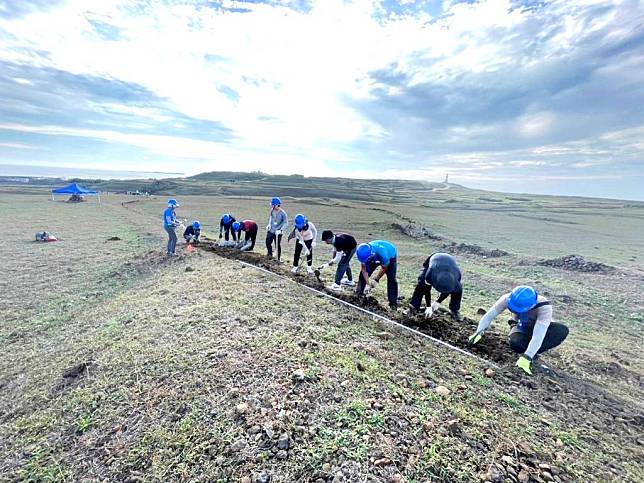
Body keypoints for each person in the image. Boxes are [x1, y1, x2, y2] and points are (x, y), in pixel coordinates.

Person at [468, 286, 569, 375]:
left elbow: (538, 335)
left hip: (539, 326)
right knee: (517, 344)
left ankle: (534, 352)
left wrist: (527, 357)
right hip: (520, 325)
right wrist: (478, 332)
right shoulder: (506, 299)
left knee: (561, 330)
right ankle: (526, 346)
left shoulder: (544, 307)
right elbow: (489, 316)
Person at [408, 253, 463, 321]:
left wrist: (438, 302)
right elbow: (427, 289)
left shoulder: (456, 277)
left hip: (450, 263)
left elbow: (447, 289)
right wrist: (428, 306)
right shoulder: (430, 273)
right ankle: (414, 306)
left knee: (458, 291)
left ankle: (454, 310)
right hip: (435, 258)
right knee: (422, 284)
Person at [355, 240, 398, 310]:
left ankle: (393, 305)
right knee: (362, 276)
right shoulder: (363, 253)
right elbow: (364, 269)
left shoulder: (383, 254)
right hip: (372, 256)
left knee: (391, 279)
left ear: (371, 255)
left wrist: (376, 279)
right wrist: (368, 283)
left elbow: (384, 268)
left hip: (390, 254)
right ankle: (358, 295)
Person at [266, 197, 288, 262]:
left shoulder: (283, 213)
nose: (272, 206)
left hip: (278, 232)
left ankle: (278, 258)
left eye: (273, 205)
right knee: (267, 242)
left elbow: (286, 223)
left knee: (277, 245)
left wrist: (280, 230)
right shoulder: (272, 210)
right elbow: (271, 218)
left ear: (277, 205)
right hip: (271, 230)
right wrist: (269, 224)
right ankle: (269, 254)